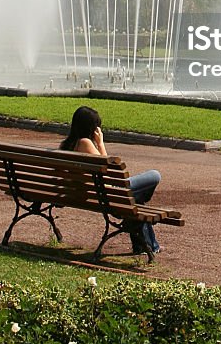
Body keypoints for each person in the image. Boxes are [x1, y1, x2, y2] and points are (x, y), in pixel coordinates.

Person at [60, 106, 161, 255]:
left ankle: (147, 245)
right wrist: (100, 143)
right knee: (154, 175)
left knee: (135, 201)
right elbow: (108, 171)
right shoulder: (85, 143)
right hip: (106, 194)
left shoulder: (67, 145)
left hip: (88, 195)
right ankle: (147, 244)